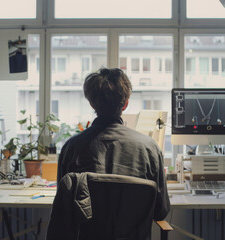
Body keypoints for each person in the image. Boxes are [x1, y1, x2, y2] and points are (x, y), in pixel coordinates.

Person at [56, 67, 170, 220]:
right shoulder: (149, 148)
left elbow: (63, 207)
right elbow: (161, 211)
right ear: (125, 104)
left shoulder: (71, 148)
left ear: (92, 104)